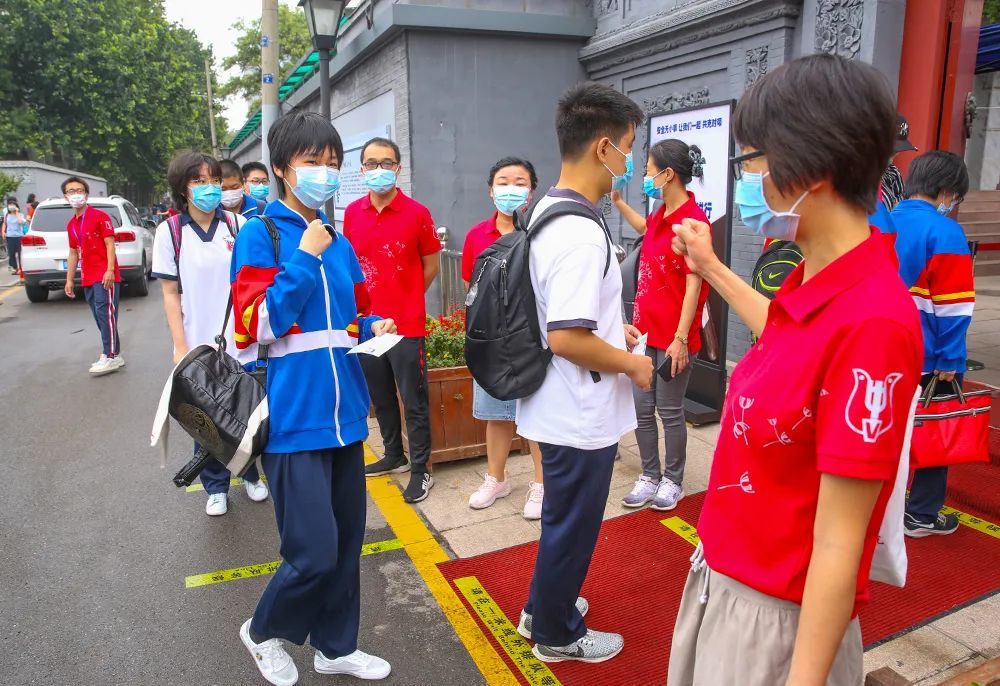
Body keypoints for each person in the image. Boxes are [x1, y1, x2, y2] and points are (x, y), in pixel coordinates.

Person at [667, 54, 922, 686]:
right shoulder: (818, 275)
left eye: (751, 159)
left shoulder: (873, 323)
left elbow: (839, 545)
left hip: (777, 621)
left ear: (812, 162)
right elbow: (784, 333)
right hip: (726, 576)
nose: (747, 177)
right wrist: (711, 267)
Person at [231, 110, 396, 685]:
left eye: (333, 164)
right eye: (312, 163)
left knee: (347, 544)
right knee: (312, 552)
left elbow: (352, 315)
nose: (325, 173)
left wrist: (374, 325)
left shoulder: (339, 240)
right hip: (292, 419)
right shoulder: (263, 233)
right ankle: (262, 629)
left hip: (345, 416)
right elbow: (258, 324)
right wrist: (304, 254)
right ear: (281, 168)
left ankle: (335, 646)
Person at [514, 82, 652, 664]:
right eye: (627, 147)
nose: (630, 160)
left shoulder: (552, 208)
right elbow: (566, 336)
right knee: (573, 525)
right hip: (575, 408)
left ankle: (543, 607)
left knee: (562, 521)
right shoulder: (577, 230)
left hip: (560, 401)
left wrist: (611, 326)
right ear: (603, 148)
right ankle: (555, 632)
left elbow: (566, 313)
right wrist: (634, 364)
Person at [151, 150, 269, 517]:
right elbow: (171, 294)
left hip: (243, 341)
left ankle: (250, 476)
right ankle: (215, 487)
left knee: (245, 413)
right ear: (182, 188)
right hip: (198, 345)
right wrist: (180, 346)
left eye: (214, 180)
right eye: (198, 181)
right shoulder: (170, 232)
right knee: (208, 418)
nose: (209, 188)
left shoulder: (238, 226)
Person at [612, 140, 709, 511]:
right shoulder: (660, 216)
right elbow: (645, 228)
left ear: (668, 175)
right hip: (644, 332)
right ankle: (649, 474)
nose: (647, 177)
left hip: (673, 338)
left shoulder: (692, 223)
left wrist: (681, 339)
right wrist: (620, 204)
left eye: (650, 170)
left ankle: (673, 479)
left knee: (669, 411)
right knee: (641, 408)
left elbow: (694, 284)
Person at [344, 136, 441, 504]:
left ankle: (421, 470)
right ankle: (393, 454)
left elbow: (431, 264)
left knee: (413, 400)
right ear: (362, 168)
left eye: (387, 163)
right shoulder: (353, 213)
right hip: (368, 324)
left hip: (406, 324)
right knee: (380, 396)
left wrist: (408, 296)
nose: (379, 169)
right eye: (372, 163)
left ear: (399, 168)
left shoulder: (417, 213)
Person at [891, 150, 975, 538]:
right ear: (946, 191)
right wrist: (952, 358)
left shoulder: (885, 222)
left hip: (882, 349)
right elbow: (954, 307)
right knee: (932, 429)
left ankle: (885, 511)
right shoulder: (946, 233)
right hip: (925, 354)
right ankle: (921, 515)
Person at [461, 156, 545, 518]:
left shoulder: (541, 233)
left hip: (531, 341)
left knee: (538, 417)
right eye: (504, 182)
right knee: (497, 415)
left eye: (520, 182)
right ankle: (497, 478)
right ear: (490, 189)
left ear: (532, 190)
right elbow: (471, 288)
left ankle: (542, 485)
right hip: (493, 341)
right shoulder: (477, 236)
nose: (511, 189)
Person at [62, 177, 125, 376]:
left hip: (104, 274)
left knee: (106, 314)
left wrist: (110, 270)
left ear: (87, 194)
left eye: (79, 190)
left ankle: (110, 354)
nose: (75, 194)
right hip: (87, 276)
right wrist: (70, 279)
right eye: (71, 191)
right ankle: (114, 353)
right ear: (66, 196)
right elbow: (73, 253)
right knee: (100, 317)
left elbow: (109, 244)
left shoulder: (100, 216)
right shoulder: (72, 224)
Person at [3, 197, 27, 274]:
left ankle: (21, 268)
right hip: (10, 236)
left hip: (19, 236)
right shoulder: (7, 215)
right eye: (10, 205)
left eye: (13, 205)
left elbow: (20, 222)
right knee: (11, 253)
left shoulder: (20, 215)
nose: (11, 206)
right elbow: (5, 223)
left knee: (20, 253)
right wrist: (3, 231)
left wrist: (16, 213)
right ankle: (15, 268)